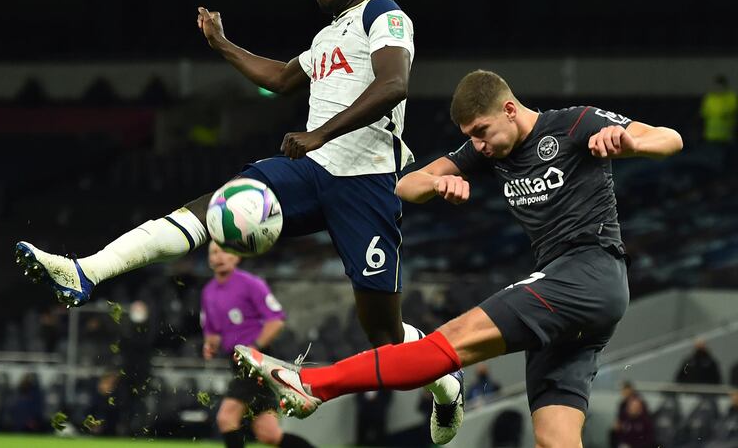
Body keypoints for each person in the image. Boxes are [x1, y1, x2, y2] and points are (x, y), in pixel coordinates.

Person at [14, 0, 463, 443]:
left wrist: (318, 133)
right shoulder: (327, 35)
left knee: (383, 334)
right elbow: (278, 79)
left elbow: (394, 84)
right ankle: (85, 271)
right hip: (309, 173)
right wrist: (222, 44)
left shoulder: (382, 14)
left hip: (366, 184)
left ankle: (446, 385)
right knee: (211, 207)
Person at [234, 69, 684, 448]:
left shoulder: (575, 124)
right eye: (469, 138)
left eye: (481, 132)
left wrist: (627, 140)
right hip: (575, 300)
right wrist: (438, 185)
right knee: (555, 437)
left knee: (448, 343)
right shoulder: (487, 152)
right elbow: (405, 185)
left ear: (509, 109)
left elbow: (671, 138)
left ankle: (314, 384)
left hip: (588, 273)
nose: (479, 146)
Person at [202, 242, 312, 448]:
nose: (219, 257)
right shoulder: (208, 292)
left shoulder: (251, 284)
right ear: (209, 259)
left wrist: (254, 346)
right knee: (268, 433)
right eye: (214, 252)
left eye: (224, 251)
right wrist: (210, 345)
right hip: (235, 363)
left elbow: (276, 320)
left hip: (256, 362)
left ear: (237, 257)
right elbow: (212, 331)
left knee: (226, 418)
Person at [701, 74, 737, 144]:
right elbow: (704, 113)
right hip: (711, 134)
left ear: (725, 86)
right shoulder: (709, 97)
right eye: (716, 86)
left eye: (720, 86)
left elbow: (732, 110)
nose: (718, 88)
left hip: (727, 134)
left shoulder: (731, 97)